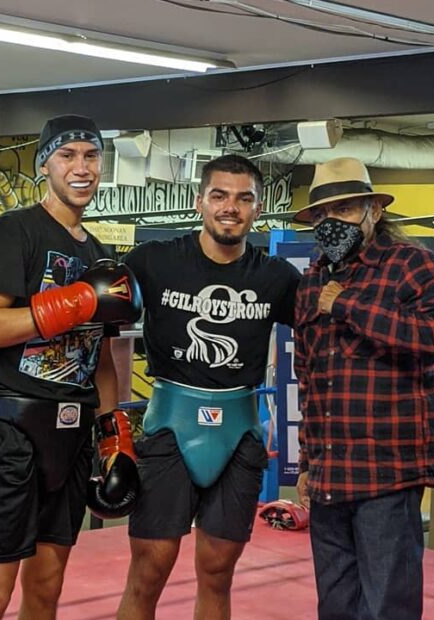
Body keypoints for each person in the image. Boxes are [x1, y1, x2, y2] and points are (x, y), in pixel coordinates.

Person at [0, 114, 143, 620]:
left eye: (91, 156)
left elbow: (103, 357)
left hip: (73, 435)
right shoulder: (13, 231)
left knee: (46, 588)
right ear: (45, 164)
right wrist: (76, 302)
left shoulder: (100, 252)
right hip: (14, 434)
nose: (81, 168)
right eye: (68, 156)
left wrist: (114, 436)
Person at [117, 154, 301, 620]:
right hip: (169, 426)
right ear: (200, 201)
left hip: (239, 431)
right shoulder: (153, 262)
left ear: (258, 209)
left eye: (244, 198)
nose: (230, 207)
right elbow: (97, 324)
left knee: (218, 569)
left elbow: (328, 338)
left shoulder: (276, 278)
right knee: (150, 565)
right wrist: (107, 421)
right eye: (219, 195)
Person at [291, 157, 434, 620]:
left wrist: (349, 306)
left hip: (389, 471)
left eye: (345, 210)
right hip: (331, 472)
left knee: (389, 606)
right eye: (323, 215)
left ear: (372, 209)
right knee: (336, 605)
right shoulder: (312, 280)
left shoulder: (413, 265)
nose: (333, 223)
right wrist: (307, 463)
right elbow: (309, 378)